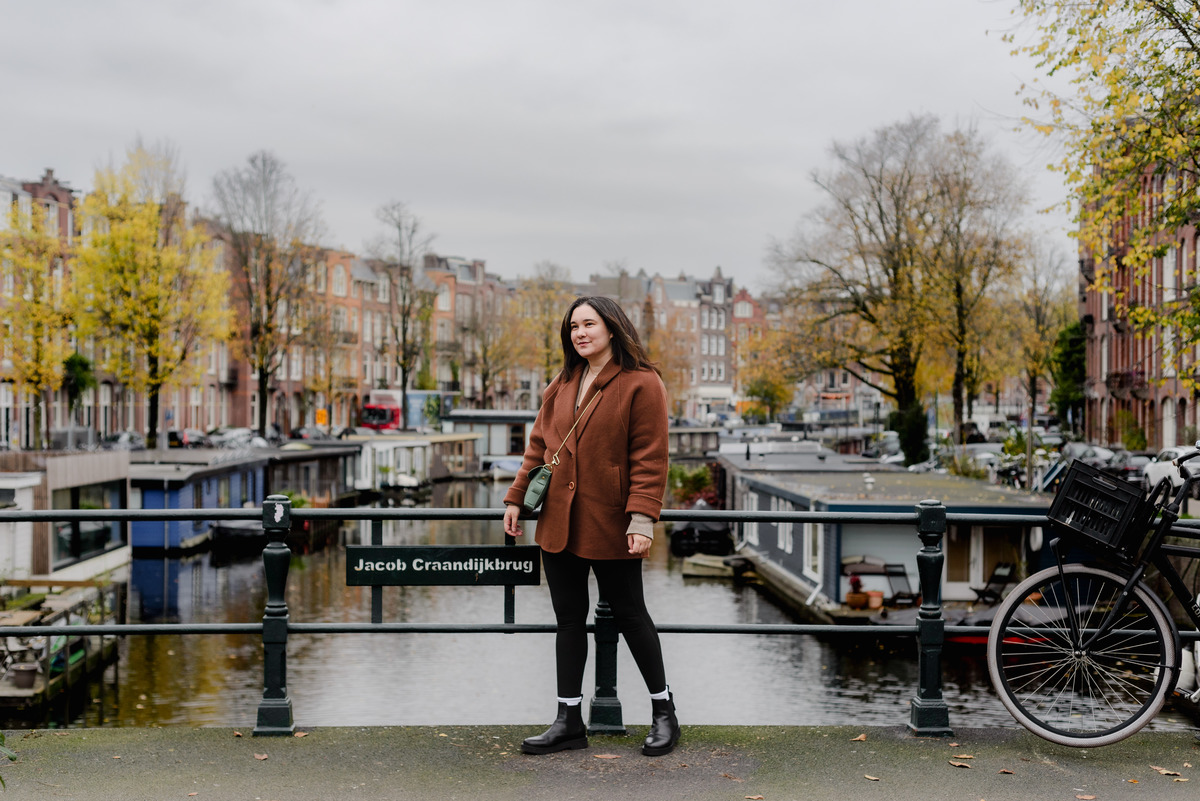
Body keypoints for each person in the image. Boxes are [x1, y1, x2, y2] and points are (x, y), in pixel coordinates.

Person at [503, 296, 679, 757]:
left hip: (612, 522)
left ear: (612, 328)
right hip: (560, 520)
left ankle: (664, 713)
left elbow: (650, 456)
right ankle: (568, 720)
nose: (580, 333)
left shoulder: (643, 383)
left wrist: (642, 519)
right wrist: (516, 498)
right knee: (567, 621)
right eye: (573, 326)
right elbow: (539, 446)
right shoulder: (561, 382)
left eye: (589, 324)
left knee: (631, 615)